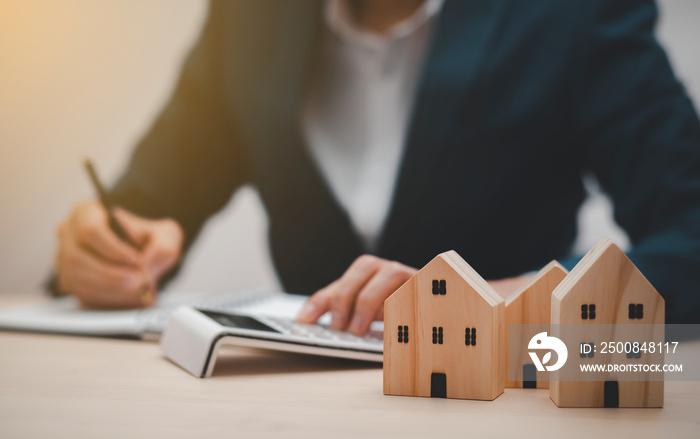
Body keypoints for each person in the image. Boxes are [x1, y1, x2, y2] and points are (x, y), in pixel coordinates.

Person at [53, 0, 700, 330]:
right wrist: (102, 253)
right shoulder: (252, 19)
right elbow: (140, 211)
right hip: (289, 415)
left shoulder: (573, 14)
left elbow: (690, 240)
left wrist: (509, 302)